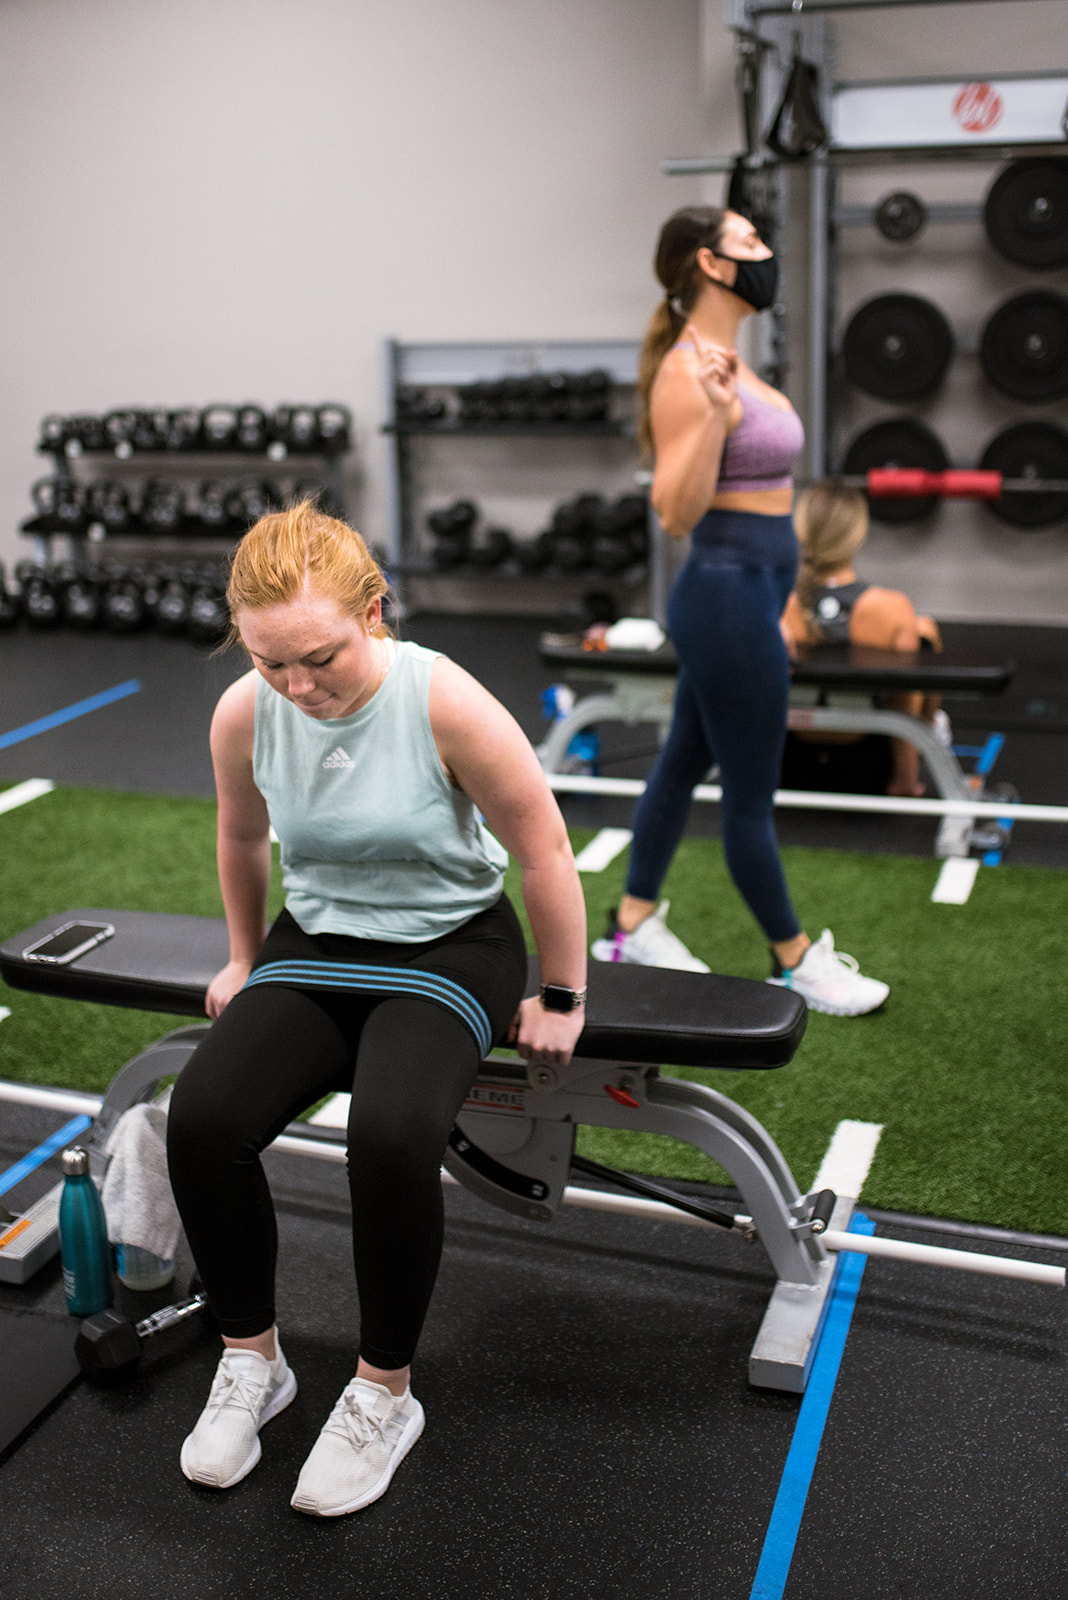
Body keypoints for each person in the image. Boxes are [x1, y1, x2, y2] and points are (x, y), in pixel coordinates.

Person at [166, 502, 587, 1517]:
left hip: (452, 938)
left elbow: (542, 847)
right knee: (204, 1118)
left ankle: (384, 1393)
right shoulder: (244, 712)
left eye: (320, 657)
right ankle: (253, 1362)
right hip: (319, 939)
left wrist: (564, 992)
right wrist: (240, 955)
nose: (299, 686)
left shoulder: (444, 700)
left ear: (374, 611)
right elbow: (241, 839)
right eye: (272, 662)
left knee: (392, 1135)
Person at [590, 205, 888, 1018]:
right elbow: (677, 513)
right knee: (752, 794)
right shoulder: (689, 373)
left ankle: (627, 924)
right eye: (750, 242)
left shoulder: (732, 363)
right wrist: (717, 421)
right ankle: (793, 962)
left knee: (684, 760)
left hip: (752, 595)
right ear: (711, 265)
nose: (766, 253)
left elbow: (767, 504)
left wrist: (785, 600)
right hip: (721, 597)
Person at [781, 479, 947, 798]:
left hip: (787, 769)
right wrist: (906, 782)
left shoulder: (778, 608)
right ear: (857, 536)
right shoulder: (892, 608)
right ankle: (931, 740)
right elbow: (904, 702)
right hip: (864, 773)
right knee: (924, 630)